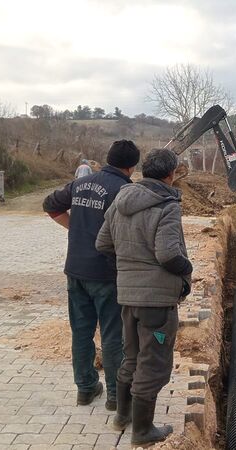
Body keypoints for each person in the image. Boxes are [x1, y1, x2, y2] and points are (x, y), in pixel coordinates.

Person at [96, 148, 192, 446]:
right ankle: (143, 430)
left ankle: (123, 417)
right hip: (157, 300)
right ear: (170, 174)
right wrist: (187, 269)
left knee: (132, 356)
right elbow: (167, 253)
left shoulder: (120, 200)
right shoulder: (167, 205)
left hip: (127, 296)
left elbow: (103, 243)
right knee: (154, 364)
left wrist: (128, 267)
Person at [42, 140, 141, 410]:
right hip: (107, 274)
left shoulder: (81, 183)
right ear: (132, 166)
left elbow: (50, 206)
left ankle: (85, 389)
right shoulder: (124, 190)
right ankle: (114, 396)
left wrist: (76, 229)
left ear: (108, 159)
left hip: (75, 270)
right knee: (113, 336)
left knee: (81, 332)